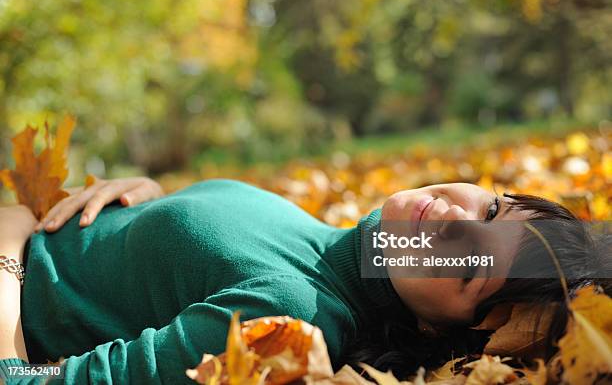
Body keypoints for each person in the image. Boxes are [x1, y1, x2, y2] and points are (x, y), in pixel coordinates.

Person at [0, 176, 608, 384]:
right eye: (494, 210)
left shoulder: (290, 313)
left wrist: (9, 248)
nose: (455, 219)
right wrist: (144, 202)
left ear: (440, 328)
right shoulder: (321, 241)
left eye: (473, 261)